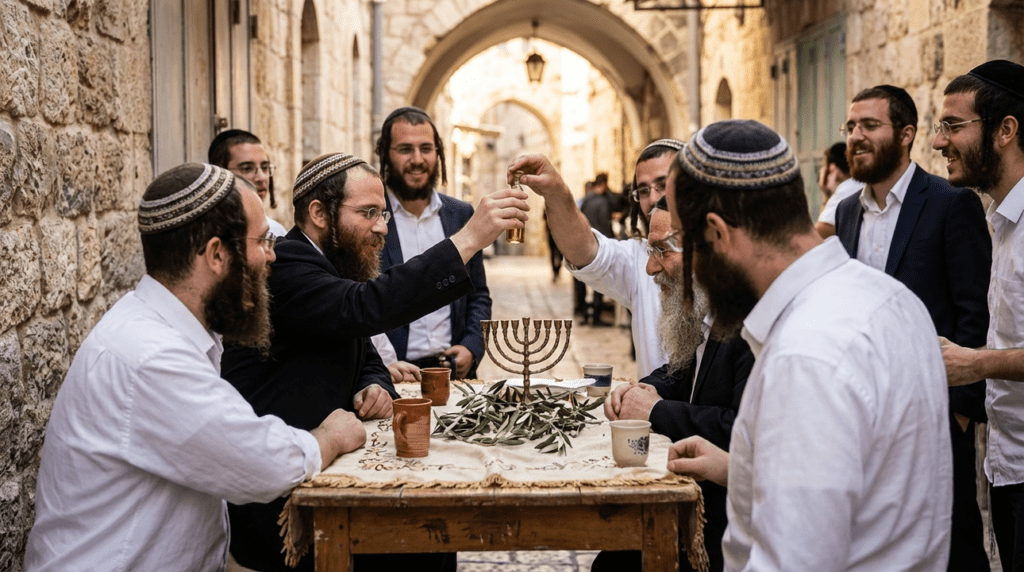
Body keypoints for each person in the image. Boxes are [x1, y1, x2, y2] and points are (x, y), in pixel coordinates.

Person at [24, 164, 366, 571]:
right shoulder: (151, 356)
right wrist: (330, 436)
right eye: (263, 241)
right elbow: (263, 464)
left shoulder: (162, 330)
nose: (271, 256)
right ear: (217, 254)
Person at [221, 152, 528, 571]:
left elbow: (364, 350)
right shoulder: (290, 265)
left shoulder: (333, 267)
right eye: (368, 213)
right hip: (282, 506)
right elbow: (364, 308)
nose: (382, 228)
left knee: (432, 537)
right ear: (319, 213)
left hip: (331, 471)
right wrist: (468, 239)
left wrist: (374, 384)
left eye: (384, 214)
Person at [668, 119, 952, 571]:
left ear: (717, 233)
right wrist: (740, 466)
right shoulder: (891, 299)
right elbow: (867, 482)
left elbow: (794, 560)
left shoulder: (806, 354)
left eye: (687, 246)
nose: (691, 272)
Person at [833, 84, 991, 572]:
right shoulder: (845, 213)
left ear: (905, 135)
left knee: (955, 543)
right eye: (851, 127)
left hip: (934, 416)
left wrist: (958, 415)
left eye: (869, 126)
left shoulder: (949, 204)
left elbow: (975, 313)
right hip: (863, 417)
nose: (856, 137)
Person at [590, 199, 754, 572]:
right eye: (650, 250)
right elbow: (684, 373)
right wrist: (639, 390)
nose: (651, 267)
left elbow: (737, 431)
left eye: (662, 250)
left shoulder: (751, 319)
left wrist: (655, 411)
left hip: (721, 523)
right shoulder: (709, 307)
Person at [933, 59, 1024, 572]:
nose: (939, 141)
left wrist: (977, 364)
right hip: (1005, 466)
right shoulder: (1001, 219)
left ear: (1005, 131)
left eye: (953, 125)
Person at [508, 139, 684, 378]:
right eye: (643, 190)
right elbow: (586, 250)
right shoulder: (639, 257)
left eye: (663, 185)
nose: (653, 199)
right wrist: (556, 191)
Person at [374, 107, 491, 379]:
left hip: (454, 376)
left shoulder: (461, 215)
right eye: (405, 149)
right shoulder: (372, 218)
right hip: (394, 376)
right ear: (385, 155)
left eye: (426, 148)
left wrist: (472, 347)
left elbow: (478, 294)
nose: (417, 160)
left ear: (438, 153)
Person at [209, 129, 288, 237]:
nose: (261, 178)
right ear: (221, 173)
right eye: (246, 169)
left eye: (265, 167)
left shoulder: (277, 233)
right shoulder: (206, 232)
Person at [815, 142, 862, 239]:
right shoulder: (861, 184)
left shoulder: (846, 188)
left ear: (833, 169)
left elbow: (820, 231)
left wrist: (826, 194)